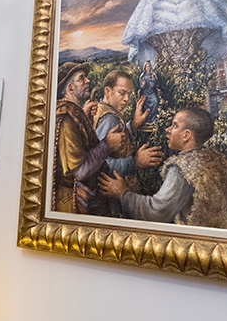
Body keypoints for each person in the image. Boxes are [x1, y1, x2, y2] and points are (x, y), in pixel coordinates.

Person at [98, 107, 227, 232]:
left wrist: (123, 193)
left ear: (186, 135)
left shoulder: (182, 169)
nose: (168, 129)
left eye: (174, 125)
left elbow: (156, 212)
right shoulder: (214, 158)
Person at [53, 62, 122, 214]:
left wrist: (85, 118)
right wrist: (107, 145)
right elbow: (80, 171)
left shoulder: (71, 113)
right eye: (82, 78)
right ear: (70, 88)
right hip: (81, 202)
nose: (88, 81)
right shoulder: (67, 119)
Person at [94, 70, 163, 177]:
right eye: (122, 93)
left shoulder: (101, 109)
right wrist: (135, 162)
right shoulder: (109, 118)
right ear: (107, 91)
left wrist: (134, 125)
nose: (126, 99)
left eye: (129, 94)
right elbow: (99, 165)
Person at [139, 61, 159, 125]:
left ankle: (152, 119)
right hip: (145, 93)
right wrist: (143, 84)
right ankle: (146, 119)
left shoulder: (153, 75)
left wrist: (152, 80)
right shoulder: (142, 76)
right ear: (144, 67)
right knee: (144, 102)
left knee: (155, 101)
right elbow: (141, 87)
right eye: (147, 66)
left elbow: (153, 86)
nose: (148, 67)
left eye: (149, 66)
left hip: (151, 92)